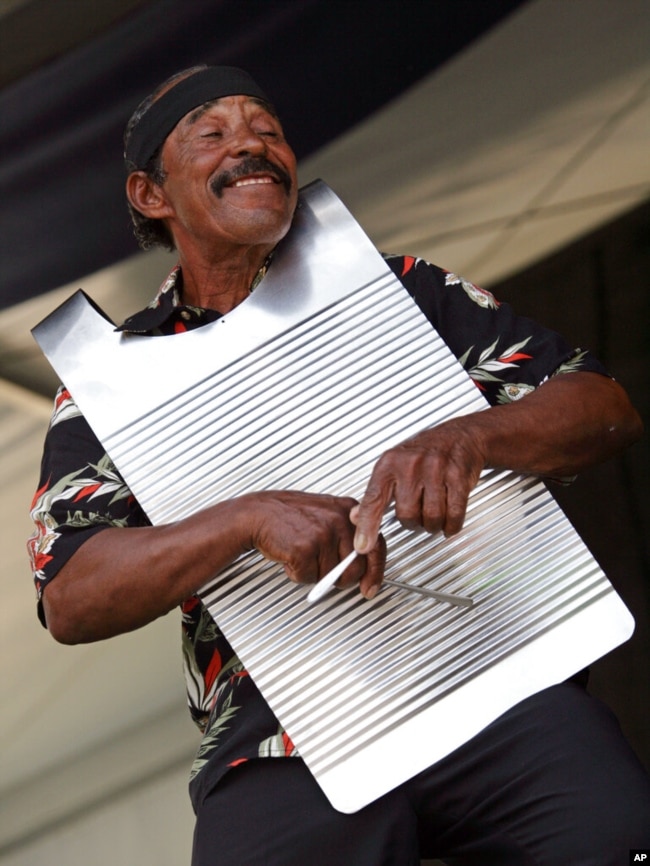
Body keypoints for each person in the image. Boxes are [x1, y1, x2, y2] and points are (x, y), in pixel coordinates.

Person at [28, 65, 649, 865]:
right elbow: (72, 594)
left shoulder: (401, 290)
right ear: (152, 195)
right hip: (278, 735)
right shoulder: (109, 385)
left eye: (267, 129)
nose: (251, 144)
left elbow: (602, 406)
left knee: (617, 835)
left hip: (497, 675)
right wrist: (243, 520)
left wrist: (468, 438)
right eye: (212, 134)